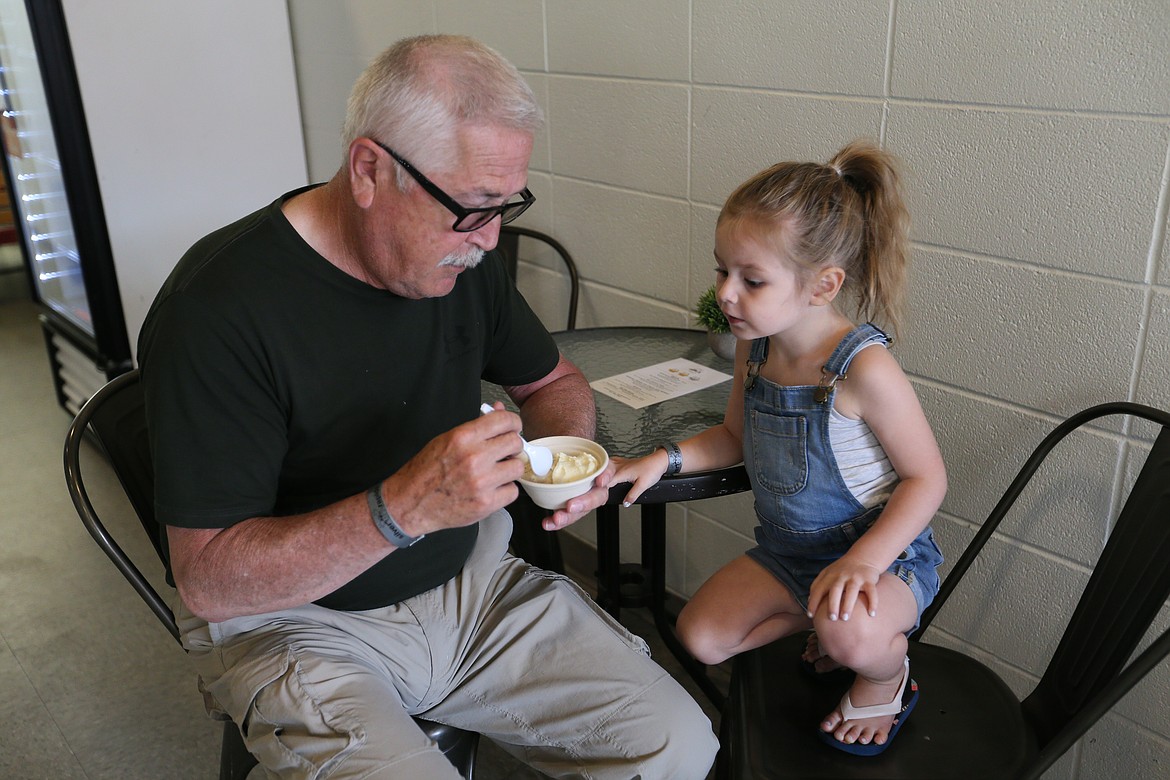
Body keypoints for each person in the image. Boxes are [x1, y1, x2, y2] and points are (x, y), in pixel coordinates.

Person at [138, 34, 717, 779]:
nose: (489, 239)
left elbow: (553, 384)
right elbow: (209, 580)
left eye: (506, 204)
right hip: (301, 625)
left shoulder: (460, 259)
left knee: (677, 745)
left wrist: (558, 458)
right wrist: (400, 509)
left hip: (471, 586)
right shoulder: (219, 311)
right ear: (370, 170)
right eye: (472, 207)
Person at [612, 140, 946, 756]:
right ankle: (829, 624)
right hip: (792, 554)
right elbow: (734, 438)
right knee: (701, 636)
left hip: (880, 556)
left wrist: (864, 563)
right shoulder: (755, 347)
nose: (726, 294)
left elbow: (927, 480)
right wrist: (664, 459)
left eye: (752, 280)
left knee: (850, 634)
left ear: (823, 285)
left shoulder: (864, 368)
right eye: (722, 270)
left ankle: (884, 674)